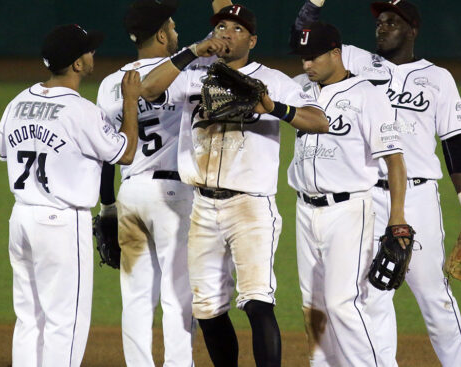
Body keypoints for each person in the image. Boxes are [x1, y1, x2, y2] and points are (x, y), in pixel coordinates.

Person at [293, 1, 461, 366]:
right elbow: (304, 30)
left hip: (417, 196)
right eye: (379, 22)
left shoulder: (438, 78)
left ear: (412, 30)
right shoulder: (360, 62)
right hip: (364, 198)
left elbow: (455, 146)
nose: (382, 27)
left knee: (434, 295)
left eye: (392, 22)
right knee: (371, 295)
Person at [140, 4, 329, 366]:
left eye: (237, 28)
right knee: (207, 310)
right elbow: (148, 89)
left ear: (252, 40)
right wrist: (192, 51)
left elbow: (318, 121)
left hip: (251, 206)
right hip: (202, 206)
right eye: (222, 26)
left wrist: (273, 107)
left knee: (257, 301)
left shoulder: (272, 80)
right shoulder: (194, 73)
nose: (227, 33)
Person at [0, 24, 140, 367]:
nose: (93, 55)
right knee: (66, 324)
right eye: (88, 51)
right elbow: (126, 152)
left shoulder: (17, 103)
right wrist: (131, 103)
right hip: (60, 223)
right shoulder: (81, 111)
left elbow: (5, 149)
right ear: (77, 64)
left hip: (22, 219)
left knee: (29, 318)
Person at [287, 21, 411, 366]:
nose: (306, 65)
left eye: (313, 57)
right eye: (302, 58)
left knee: (344, 302)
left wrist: (397, 217)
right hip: (304, 209)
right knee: (313, 303)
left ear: (336, 54)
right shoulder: (298, 88)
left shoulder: (367, 95)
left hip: (348, 210)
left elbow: (395, 161)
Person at [95, 0, 195, 365]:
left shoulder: (110, 85)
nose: (177, 32)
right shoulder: (185, 72)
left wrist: (107, 207)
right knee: (178, 294)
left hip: (130, 193)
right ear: (161, 34)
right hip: (175, 195)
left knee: (136, 297)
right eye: (172, 25)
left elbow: (108, 153)